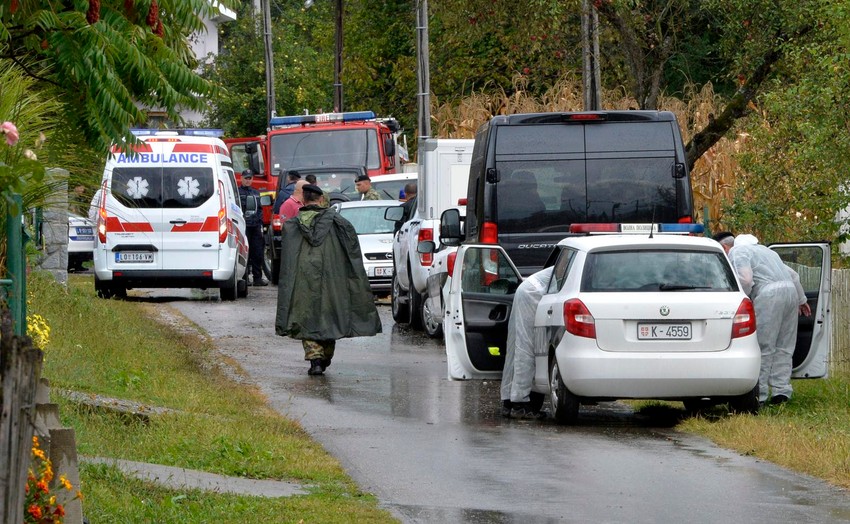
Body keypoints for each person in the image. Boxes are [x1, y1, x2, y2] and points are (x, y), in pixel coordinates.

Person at [275, 183, 382, 375]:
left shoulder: (292, 225)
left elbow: (287, 259)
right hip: (333, 278)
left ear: (303, 201)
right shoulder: (339, 223)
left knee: (306, 316)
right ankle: (324, 357)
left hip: (303, 279)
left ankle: (315, 359)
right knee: (329, 316)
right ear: (322, 200)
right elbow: (351, 252)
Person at [713, 231, 811, 405]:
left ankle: (761, 394)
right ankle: (782, 392)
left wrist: (741, 300)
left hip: (768, 295)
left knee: (763, 346)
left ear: (725, 247)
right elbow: (794, 276)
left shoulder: (738, 252)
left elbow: (745, 278)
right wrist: (802, 300)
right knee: (784, 346)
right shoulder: (768, 252)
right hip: (790, 294)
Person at [501, 266, 554, 419]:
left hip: (526, 288)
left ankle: (508, 402)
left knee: (515, 344)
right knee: (526, 345)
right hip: (533, 293)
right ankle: (520, 404)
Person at [238, 169, 268, 286]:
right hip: (244, 226)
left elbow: (260, 209)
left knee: (257, 252)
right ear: (241, 178)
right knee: (245, 253)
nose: (248, 180)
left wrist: (259, 222)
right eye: (246, 178)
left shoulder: (256, 193)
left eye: (250, 178)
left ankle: (257, 278)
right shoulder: (238, 192)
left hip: (255, 226)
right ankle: (245, 278)